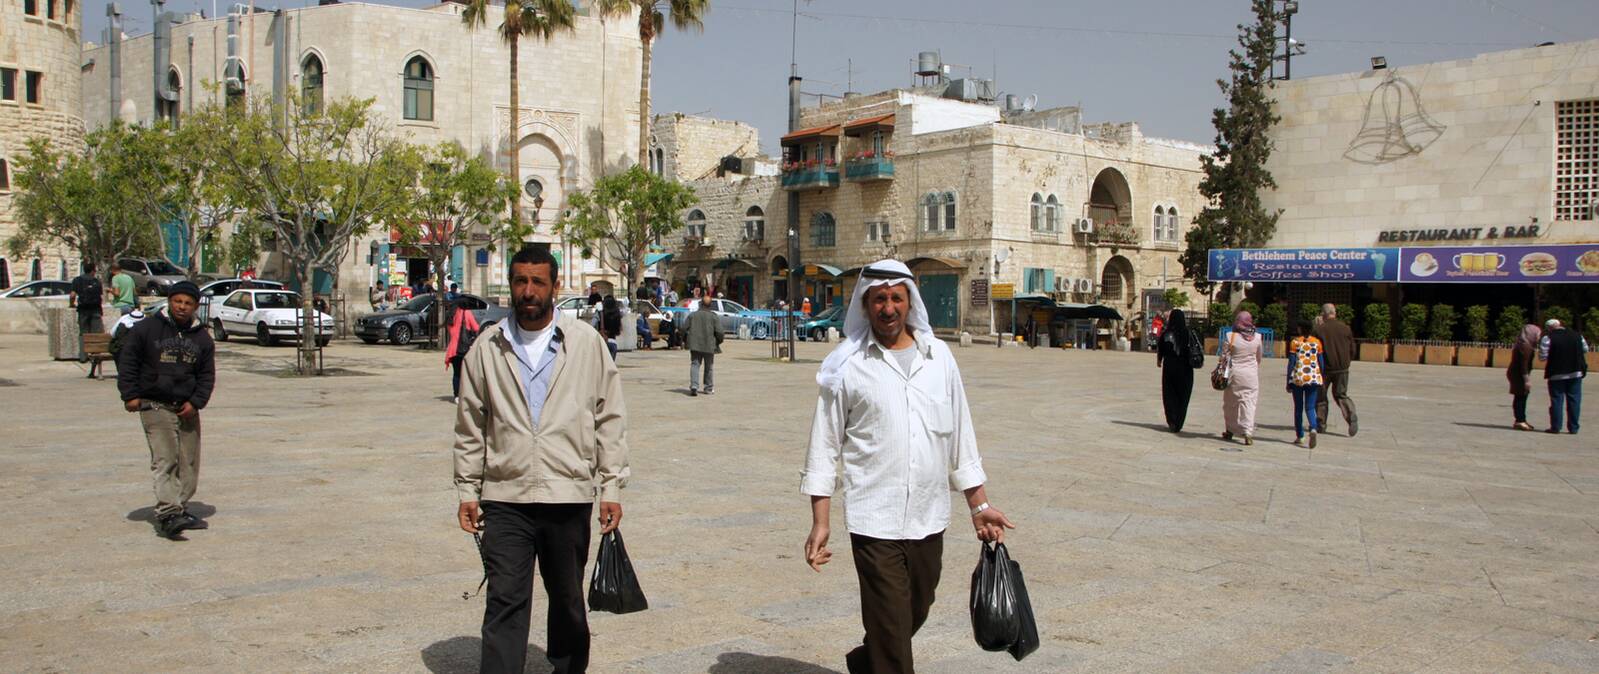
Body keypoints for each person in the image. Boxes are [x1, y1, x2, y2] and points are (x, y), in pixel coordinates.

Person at [801, 259, 1015, 674]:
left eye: (896, 298)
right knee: (894, 635)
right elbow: (823, 445)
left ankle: (869, 660)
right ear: (865, 305)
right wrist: (820, 520)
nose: (888, 308)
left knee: (912, 612)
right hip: (873, 520)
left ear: (909, 301)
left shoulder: (939, 359)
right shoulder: (845, 366)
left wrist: (978, 505)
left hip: (928, 518)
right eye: (879, 299)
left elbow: (960, 437)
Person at [453, 246, 628, 674]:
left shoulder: (586, 344)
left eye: (537, 282)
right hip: (505, 495)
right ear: (511, 285)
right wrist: (467, 490)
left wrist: (611, 487)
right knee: (505, 599)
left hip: (566, 494)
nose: (528, 291)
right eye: (520, 281)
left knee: (567, 600)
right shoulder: (487, 347)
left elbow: (610, 417)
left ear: (554, 286)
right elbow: (471, 425)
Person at [116, 281, 216, 540]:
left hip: (186, 406)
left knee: (189, 462)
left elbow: (206, 375)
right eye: (177, 301)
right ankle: (168, 513)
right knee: (166, 459)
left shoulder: (202, 338)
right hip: (155, 403)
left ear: (195, 306)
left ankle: (179, 507)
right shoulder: (147, 329)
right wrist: (130, 395)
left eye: (188, 303)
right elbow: (128, 361)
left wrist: (196, 402)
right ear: (170, 302)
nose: (182, 307)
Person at [1312, 303, 1359, 436]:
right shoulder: (1345, 328)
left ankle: (1321, 423)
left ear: (1323, 314)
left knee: (1320, 397)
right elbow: (1352, 348)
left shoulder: (1319, 330)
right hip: (1342, 368)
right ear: (1335, 313)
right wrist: (1347, 361)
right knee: (1341, 394)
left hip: (1324, 369)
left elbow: (1313, 349)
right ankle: (1351, 415)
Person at [1222, 310, 1264, 445]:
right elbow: (1259, 357)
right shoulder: (1257, 337)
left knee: (1231, 403)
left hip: (1234, 374)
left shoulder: (1230, 336)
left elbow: (1224, 357)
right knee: (1249, 403)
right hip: (1251, 375)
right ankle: (1247, 432)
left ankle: (1230, 429)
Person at [1539, 318, 1588, 434]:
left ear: (1549, 328)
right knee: (1574, 400)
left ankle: (1556, 427)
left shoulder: (1548, 338)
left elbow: (1542, 357)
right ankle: (1574, 428)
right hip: (1575, 372)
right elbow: (1585, 349)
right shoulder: (1577, 335)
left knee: (1557, 400)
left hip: (1556, 374)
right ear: (1560, 324)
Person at [1157, 309, 1198, 433]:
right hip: (1185, 368)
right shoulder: (1189, 333)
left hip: (1169, 367)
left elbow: (1161, 349)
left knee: (1169, 394)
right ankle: (1179, 422)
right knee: (1183, 395)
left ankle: (1172, 420)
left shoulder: (1166, 334)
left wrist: (1159, 360)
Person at [1286, 320, 1326, 448]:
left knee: (1298, 408)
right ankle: (1313, 428)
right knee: (1310, 407)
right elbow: (1321, 361)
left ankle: (1300, 435)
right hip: (1313, 378)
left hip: (1298, 378)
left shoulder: (1295, 342)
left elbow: (1291, 362)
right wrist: (1321, 375)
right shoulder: (1317, 342)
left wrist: (1288, 380)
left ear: (1300, 329)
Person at [684, 295, 723, 396]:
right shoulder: (713, 316)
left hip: (695, 344)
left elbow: (683, 328)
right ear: (710, 305)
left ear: (700, 303)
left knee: (695, 364)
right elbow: (719, 332)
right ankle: (708, 388)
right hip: (709, 345)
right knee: (709, 366)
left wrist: (685, 339)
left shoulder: (693, 315)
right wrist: (718, 341)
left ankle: (694, 386)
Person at [445, 299, 481, 401]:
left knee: (456, 373)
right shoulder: (466, 312)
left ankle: (456, 395)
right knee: (467, 373)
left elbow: (451, 331)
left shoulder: (451, 314)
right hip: (464, 348)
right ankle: (465, 394)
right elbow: (475, 327)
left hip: (453, 349)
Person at [1507, 323, 1540, 431]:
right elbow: (1524, 364)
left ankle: (1521, 420)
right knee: (1520, 396)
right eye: (1537, 334)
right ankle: (1520, 420)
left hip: (1517, 372)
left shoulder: (1524, 344)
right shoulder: (1525, 346)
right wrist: (1526, 380)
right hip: (1519, 374)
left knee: (1521, 395)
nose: (1538, 337)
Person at [69, 262, 105, 363]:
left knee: (83, 333)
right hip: (96, 310)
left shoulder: (77, 280)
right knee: (96, 334)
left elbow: (72, 295)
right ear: (93, 271)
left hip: (83, 310)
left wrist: (71, 304)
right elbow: (100, 296)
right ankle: (96, 354)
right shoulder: (97, 281)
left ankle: (83, 356)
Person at [599, 296, 622, 361]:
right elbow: (619, 332)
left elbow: (593, 325)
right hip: (613, 343)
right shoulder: (617, 314)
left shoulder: (601, 313)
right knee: (611, 366)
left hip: (603, 342)